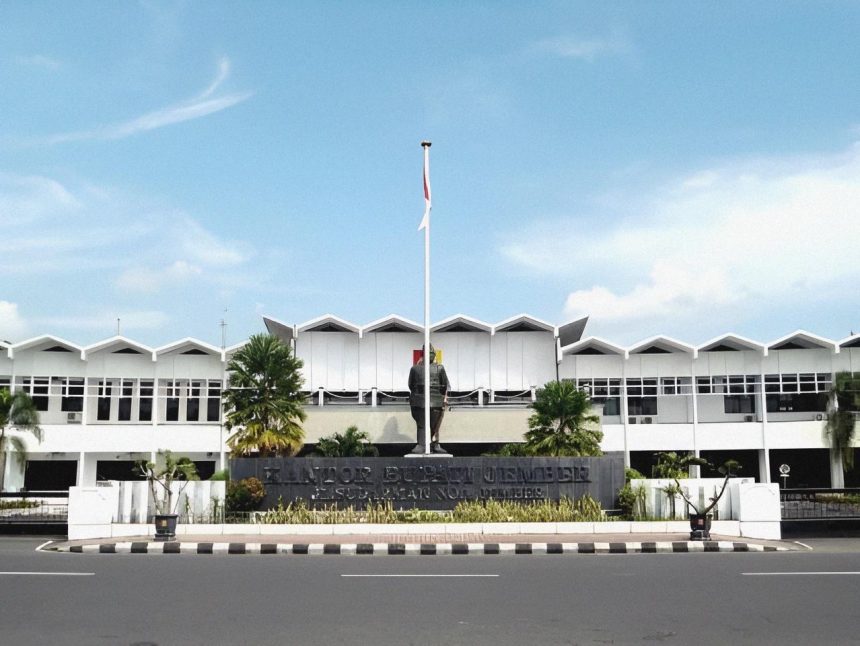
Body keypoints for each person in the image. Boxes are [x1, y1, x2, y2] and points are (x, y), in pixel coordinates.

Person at [408, 344, 450, 454]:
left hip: (420, 401)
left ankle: (423, 444)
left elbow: (411, 385)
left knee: (423, 425)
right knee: (433, 426)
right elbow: (444, 385)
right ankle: (433, 444)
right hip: (433, 402)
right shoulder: (439, 368)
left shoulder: (415, 368)